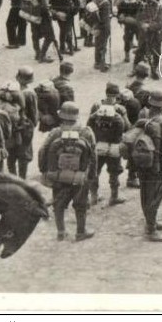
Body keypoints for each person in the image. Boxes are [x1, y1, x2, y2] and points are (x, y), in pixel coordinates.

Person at [38, 101, 97, 242]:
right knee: (81, 204)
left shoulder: (55, 133)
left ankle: (61, 232)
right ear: (76, 117)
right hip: (80, 176)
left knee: (59, 203)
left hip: (58, 175)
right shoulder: (86, 132)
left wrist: (44, 170)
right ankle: (80, 232)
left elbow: (42, 151)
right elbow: (93, 155)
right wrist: (92, 175)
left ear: (62, 116)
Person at [135, 90, 162, 242]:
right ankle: (151, 230)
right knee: (155, 196)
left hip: (143, 162)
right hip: (157, 165)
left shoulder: (143, 116)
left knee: (145, 193)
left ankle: (151, 222)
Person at [87, 83, 130, 207]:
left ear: (106, 93)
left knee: (95, 170)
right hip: (114, 146)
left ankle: (94, 196)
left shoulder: (96, 106)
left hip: (98, 144)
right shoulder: (120, 109)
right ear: (117, 96)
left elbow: (89, 125)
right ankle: (114, 196)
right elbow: (127, 126)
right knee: (114, 171)